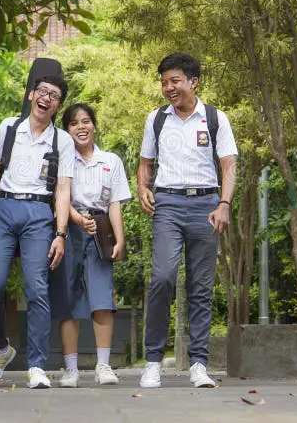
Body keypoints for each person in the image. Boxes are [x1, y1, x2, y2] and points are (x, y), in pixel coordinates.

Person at [136, 52, 238, 389]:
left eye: (175, 81)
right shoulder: (156, 119)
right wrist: (141, 187)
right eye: (164, 82)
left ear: (193, 81)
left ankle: (198, 364)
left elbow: (228, 165)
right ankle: (152, 362)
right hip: (166, 203)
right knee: (162, 278)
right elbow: (145, 163)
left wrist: (224, 203)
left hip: (206, 204)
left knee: (200, 287)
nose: (168, 88)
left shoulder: (214, 118)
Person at [0, 75, 75, 389]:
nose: (46, 98)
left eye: (54, 96)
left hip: (39, 213)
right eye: (42, 91)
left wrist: (60, 233)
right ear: (32, 94)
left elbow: (62, 189)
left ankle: (36, 365)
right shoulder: (8, 128)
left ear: (58, 106)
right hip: (4, 209)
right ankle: (0, 348)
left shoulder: (62, 140)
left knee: (37, 289)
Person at [49, 104, 131, 387]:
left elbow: (115, 204)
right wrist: (77, 220)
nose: (81, 127)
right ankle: (70, 369)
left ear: (94, 125)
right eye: (74, 123)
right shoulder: (61, 160)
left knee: (102, 300)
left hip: (100, 232)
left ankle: (104, 365)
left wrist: (119, 239)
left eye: (86, 121)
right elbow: (59, 196)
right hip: (68, 230)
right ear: (66, 130)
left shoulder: (111, 161)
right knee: (69, 300)